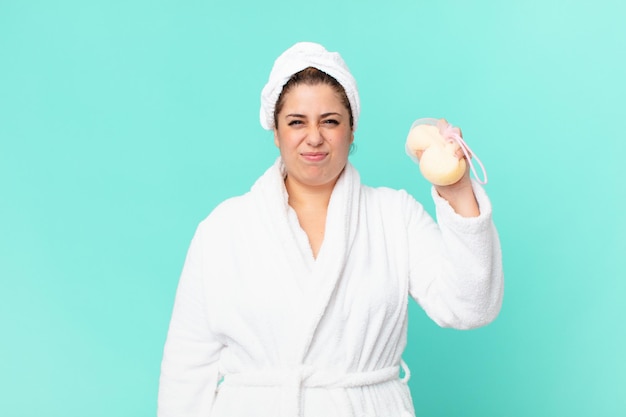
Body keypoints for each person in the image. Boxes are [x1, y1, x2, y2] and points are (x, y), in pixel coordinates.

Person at [157, 42, 504, 417]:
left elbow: (471, 307)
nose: (314, 137)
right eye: (296, 122)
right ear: (275, 131)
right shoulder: (223, 228)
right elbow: (186, 367)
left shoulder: (394, 215)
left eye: (330, 120)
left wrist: (456, 188)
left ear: (351, 129)